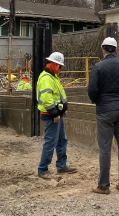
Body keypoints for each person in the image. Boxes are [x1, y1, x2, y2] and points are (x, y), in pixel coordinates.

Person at [87, 37, 119, 194]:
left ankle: (103, 186)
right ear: (116, 50)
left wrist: (98, 101)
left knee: (105, 149)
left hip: (104, 112)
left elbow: (92, 90)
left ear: (103, 50)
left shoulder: (98, 67)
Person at [36, 52, 77, 180]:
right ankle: (43, 169)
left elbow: (58, 96)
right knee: (51, 142)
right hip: (50, 115)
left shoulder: (52, 77)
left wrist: (62, 109)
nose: (60, 68)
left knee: (61, 140)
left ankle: (61, 166)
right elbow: (47, 99)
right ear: (53, 64)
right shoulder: (46, 78)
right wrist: (54, 113)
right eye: (59, 66)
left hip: (56, 114)